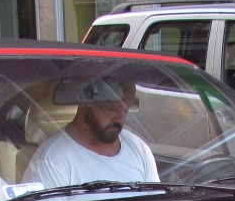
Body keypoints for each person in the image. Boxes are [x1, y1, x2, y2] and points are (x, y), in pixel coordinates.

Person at [22, 76, 157, 189]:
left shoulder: (139, 149)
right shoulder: (51, 161)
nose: (121, 119)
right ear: (85, 103)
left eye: (126, 110)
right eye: (112, 108)